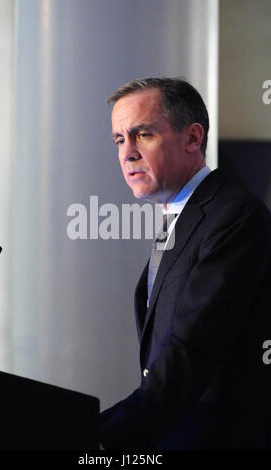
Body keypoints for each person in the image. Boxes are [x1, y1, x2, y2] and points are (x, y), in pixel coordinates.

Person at [99, 77, 271, 449]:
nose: (127, 153)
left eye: (142, 134)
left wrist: (108, 440)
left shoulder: (234, 215)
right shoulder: (181, 217)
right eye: (119, 139)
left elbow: (191, 353)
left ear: (193, 138)